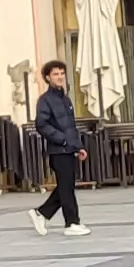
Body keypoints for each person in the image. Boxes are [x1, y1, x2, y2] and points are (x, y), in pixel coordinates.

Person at [30, 60, 89, 235]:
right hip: (58, 150)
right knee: (66, 186)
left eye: (62, 73)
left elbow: (70, 126)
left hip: (69, 149)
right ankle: (71, 223)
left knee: (66, 185)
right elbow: (42, 125)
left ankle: (41, 213)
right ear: (48, 77)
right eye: (56, 74)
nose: (60, 77)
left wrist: (78, 146)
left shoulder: (65, 99)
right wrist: (62, 140)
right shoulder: (45, 100)